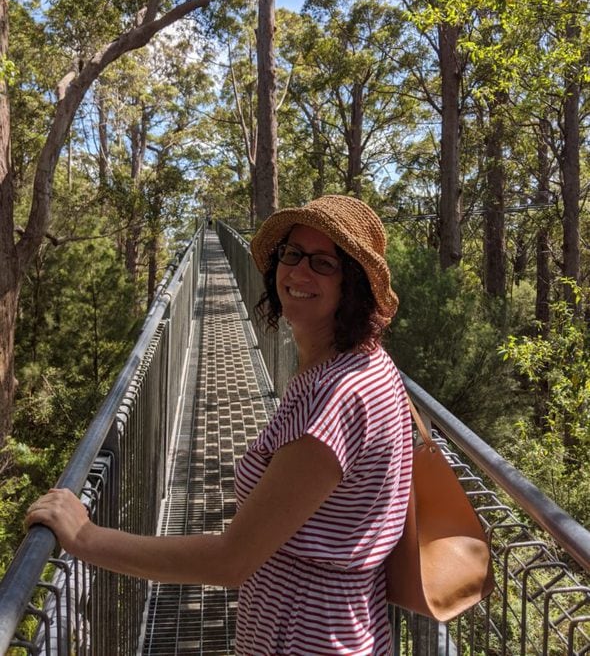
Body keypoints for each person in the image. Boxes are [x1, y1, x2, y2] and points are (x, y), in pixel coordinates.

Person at [26, 194, 413, 655]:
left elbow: (233, 560)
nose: (299, 272)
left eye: (324, 263)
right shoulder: (354, 362)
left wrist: (87, 538)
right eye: (292, 254)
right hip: (319, 625)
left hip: (308, 638)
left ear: (353, 286)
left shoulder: (339, 396)